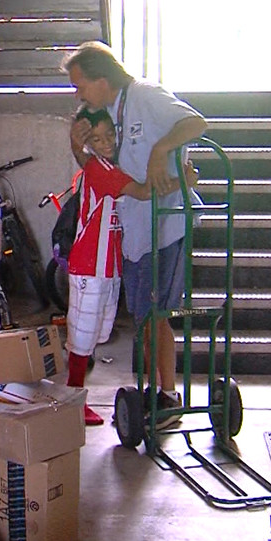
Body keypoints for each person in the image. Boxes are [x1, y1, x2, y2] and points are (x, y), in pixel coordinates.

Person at [64, 41, 207, 429]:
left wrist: (162, 151)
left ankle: (168, 395)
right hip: (137, 227)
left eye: (81, 85)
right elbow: (100, 168)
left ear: (102, 77)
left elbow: (196, 123)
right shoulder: (106, 111)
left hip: (165, 225)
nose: (79, 93)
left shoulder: (145, 95)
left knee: (156, 314)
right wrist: (77, 146)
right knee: (144, 315)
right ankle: (156, 391)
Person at [63, 107, 154, 426]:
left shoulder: (113, 165)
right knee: (82, 340)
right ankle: (73, 400)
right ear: (87, 143)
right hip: (89, 266)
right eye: (97, 139)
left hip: (109, 267)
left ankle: (75, 396)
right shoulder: (100, 170)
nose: (107, 143)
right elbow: (143, 192)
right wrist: (180, 180)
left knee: (96, 335)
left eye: (110, 136)